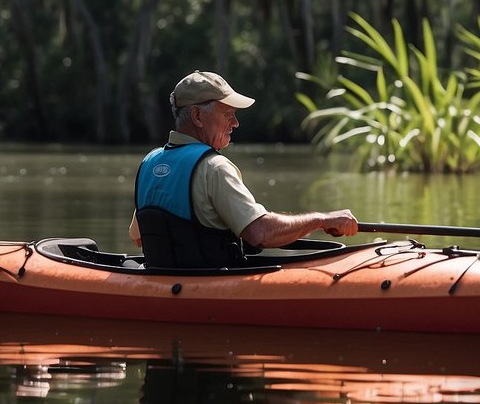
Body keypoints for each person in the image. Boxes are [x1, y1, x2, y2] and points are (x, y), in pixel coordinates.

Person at [130, 70, 358, 268]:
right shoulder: (214, 167)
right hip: (211, 288)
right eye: (228, 114)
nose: (236, 123)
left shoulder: (149, 163)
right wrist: (322, 219)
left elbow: (139, 238)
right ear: (198, 116)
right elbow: (260, 233)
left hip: (165, 285)